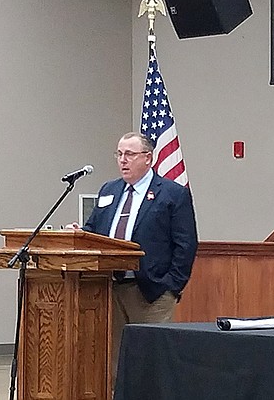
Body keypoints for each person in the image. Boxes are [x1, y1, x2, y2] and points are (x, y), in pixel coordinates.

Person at [69, 132, 198, 379]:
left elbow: (186, 245)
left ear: (148, 158)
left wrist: (171, 287)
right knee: (115, 363)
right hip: (110, 289)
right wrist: (79, 234)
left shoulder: (172, 194)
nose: (122, 160)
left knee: (152, 363)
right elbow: (94, 230)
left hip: (151, 292)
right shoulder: (110, 190)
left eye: (129, 154)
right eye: (119, 154)